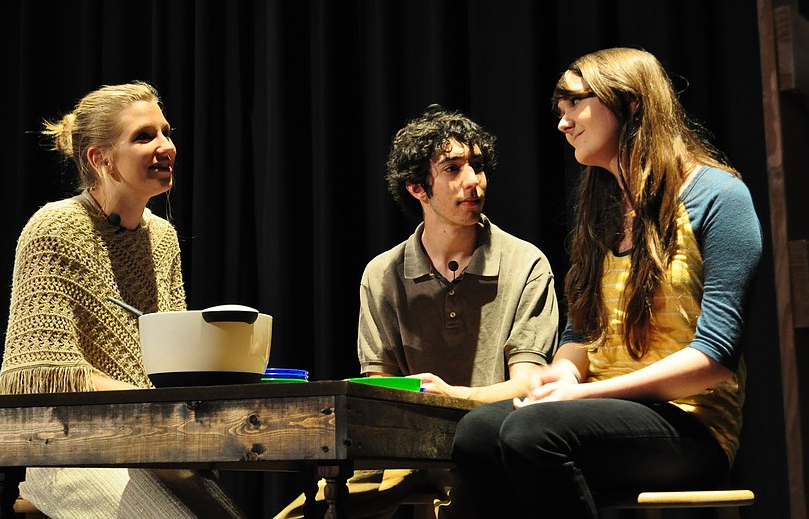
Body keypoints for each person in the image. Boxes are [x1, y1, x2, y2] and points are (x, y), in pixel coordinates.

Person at [449, 47, 764, 518]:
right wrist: (565, 375)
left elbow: (715, 358)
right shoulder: (602, 211)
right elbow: (582, 333)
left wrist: (582, 393)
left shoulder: (719, 197)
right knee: (475, 434)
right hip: (595, 412)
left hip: (691, 428)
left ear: (631, 102)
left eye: (575, 103)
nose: (564, 122)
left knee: (532, 433)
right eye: (561, 110)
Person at [275, 104, 559, 518]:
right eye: (452, 168)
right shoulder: (383, 274)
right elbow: (381, 387)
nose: (473, 181)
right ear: (416, 188)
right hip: (404, 450)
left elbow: (529, 386)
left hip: (489, 447)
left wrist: (455, 397)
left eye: (477, 166)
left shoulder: (525, 264)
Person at [0, 81, 246, 518]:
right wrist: (154, 401)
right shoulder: (55, 227)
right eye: (145, 136)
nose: (166, 146)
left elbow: (168, 359)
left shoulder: (162, 239)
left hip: (141, 439)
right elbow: (45, 372)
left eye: (166, 131)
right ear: (100, 158)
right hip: (52, 441)